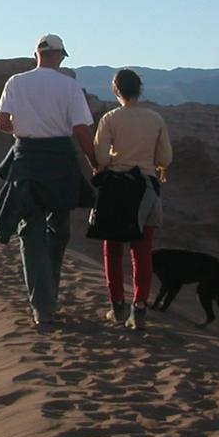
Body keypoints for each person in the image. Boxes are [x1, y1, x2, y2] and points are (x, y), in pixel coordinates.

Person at [0, 34, 97, 328]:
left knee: (31, 233)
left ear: (36, 53)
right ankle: (48, 295)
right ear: (60, 56)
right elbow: (80, 128)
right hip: (60, 162)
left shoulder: (16, 82)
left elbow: (1, 123)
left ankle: (42, 305)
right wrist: (94, 162)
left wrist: (25, 130)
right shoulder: (70, 86)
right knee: (59, 230)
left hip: (27, 161)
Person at [92, 69, 172, 330]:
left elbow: (101, 159)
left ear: (116, 90)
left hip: (116, 191)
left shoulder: (110, 118)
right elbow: (164, 160)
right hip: (147, 189)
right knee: (142, 252)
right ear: (140, 89)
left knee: (113, 251)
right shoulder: (155, 118)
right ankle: (139, 308)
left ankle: (117, 307)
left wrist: (115, 158)